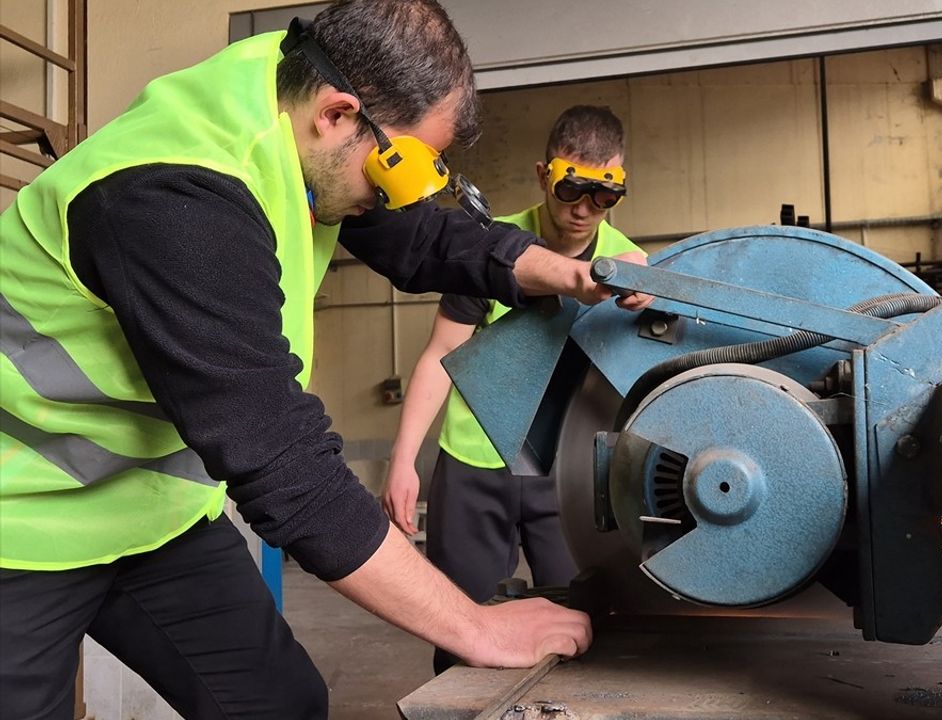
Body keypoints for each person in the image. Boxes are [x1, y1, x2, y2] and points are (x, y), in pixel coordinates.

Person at [0, 2, 648, 717]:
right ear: (339, 115)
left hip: (148, 512)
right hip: (20, 524)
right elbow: (285, 467)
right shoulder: (173, 201)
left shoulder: (299, 84)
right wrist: (476, 625)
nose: (399, 195)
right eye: (400, 169)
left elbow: (420, 237)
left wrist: (559, 271)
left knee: (284, 705)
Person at [381, 105, 646, 671]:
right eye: (571, 189)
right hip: (473, 465)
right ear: (543, 174)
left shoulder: (629, 267)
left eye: (603, 198)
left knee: (585, 630)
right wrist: (403, 461)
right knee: (461, 634)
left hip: (569, 471)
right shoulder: (491, 249)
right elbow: (443, 353)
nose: (582, 211)